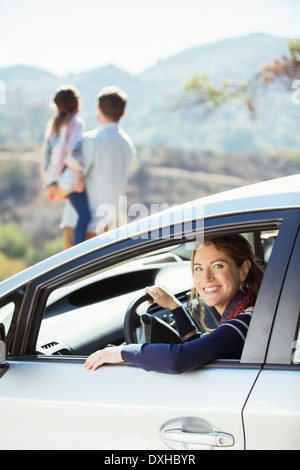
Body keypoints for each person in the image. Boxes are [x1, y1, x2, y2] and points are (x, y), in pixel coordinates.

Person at [83, 234, 265, 374]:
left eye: (218, 266)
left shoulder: (246, 323)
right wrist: (175, 307)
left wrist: (122, 352)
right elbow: (202, 351)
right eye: (199, 268)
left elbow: (179, 359)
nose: (206, 278)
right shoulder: (246, 312)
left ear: (243, 271)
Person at [60, 86, 136, 249]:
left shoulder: (89, 140)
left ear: (98, 110)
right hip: (107, 230)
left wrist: (58, 190)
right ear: (123, 113)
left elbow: (68, 182)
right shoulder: (128, 146)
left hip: (78, 228)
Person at [43, 85, 91, 245]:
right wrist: (78, 176)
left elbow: (47, 155)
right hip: (69, 178)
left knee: (79, 215)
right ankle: (78, 254)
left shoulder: (54, 124)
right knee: (85, 216)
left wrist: (50, 182)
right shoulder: (75, 123)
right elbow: (72, 152)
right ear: (77, 104)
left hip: (57, 182)